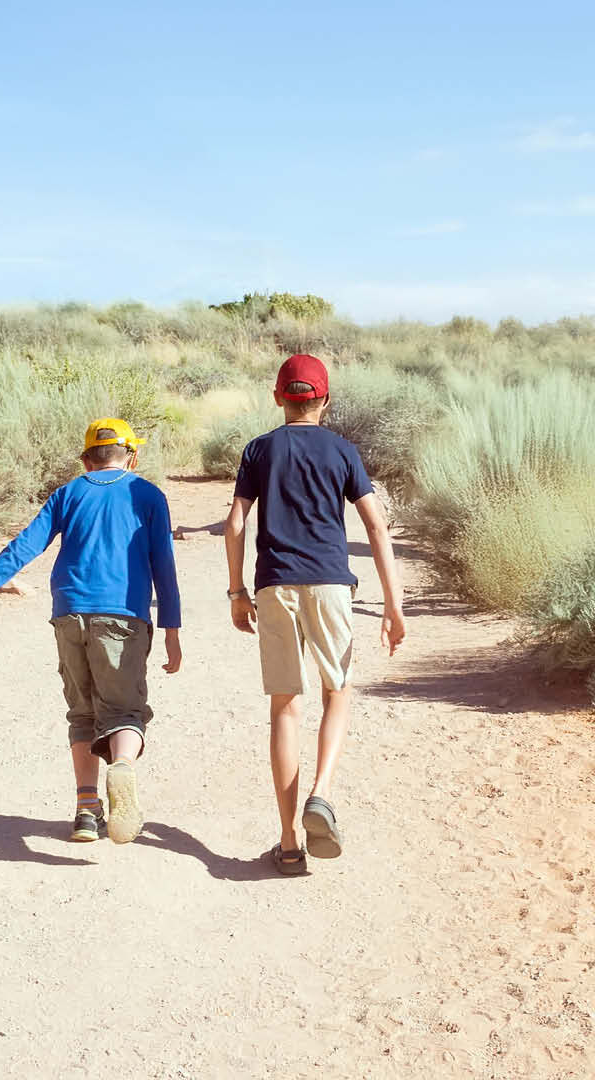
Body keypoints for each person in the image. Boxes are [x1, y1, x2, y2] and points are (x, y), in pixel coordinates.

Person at [0, 418, 182, 846]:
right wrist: (171, 629)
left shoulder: (68, 494)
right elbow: (163, 565)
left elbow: (26, 544)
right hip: (124, 617)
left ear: (86, 457)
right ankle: (123, 768)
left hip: (69, 615)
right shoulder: (148, 495)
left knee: (83, 714)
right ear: (131, 455)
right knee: (124, 711)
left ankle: (87, 810)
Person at [225, 353, 406, 876]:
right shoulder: (343, 450)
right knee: (337, 692)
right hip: (329, 584)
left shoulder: (258, 450)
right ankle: (322, 794)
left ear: (278, 397)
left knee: (285, 707)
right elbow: (376, 527)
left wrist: (237, 589)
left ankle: (286, 843)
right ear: (324, 400)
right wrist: (393, 605)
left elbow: (236, 523)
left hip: (274, 585)